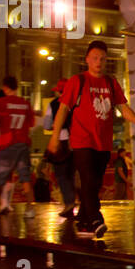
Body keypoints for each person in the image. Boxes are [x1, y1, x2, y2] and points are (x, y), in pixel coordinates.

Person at [47, 40, 135, 238]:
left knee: (95, 183)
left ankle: (84, 221)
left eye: (102, 58)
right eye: (95, 58)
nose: (99, 62)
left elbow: (122, 106)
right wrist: (55, 137)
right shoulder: (78, 81)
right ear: (87, 59)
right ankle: (96, 219)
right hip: (82, 140)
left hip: (104, 142)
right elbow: (63, 109)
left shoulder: (111, 82)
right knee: (88, 178)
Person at [0, 75, 37, 220]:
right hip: (23, 144)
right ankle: (30, 209)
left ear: (5, 87)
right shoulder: (25, 103)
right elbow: (32, 123)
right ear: (17, 87)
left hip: (7, 144)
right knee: (25, 178)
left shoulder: (1, 102)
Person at [42, 79, 77, 219]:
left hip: (60, 142)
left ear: (58, 91)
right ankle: (77, 203)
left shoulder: (53, 104)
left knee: (61, 175)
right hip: (76, 142)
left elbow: (46, 125)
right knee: (72, 175)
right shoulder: (77, 102)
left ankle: (69, 203)